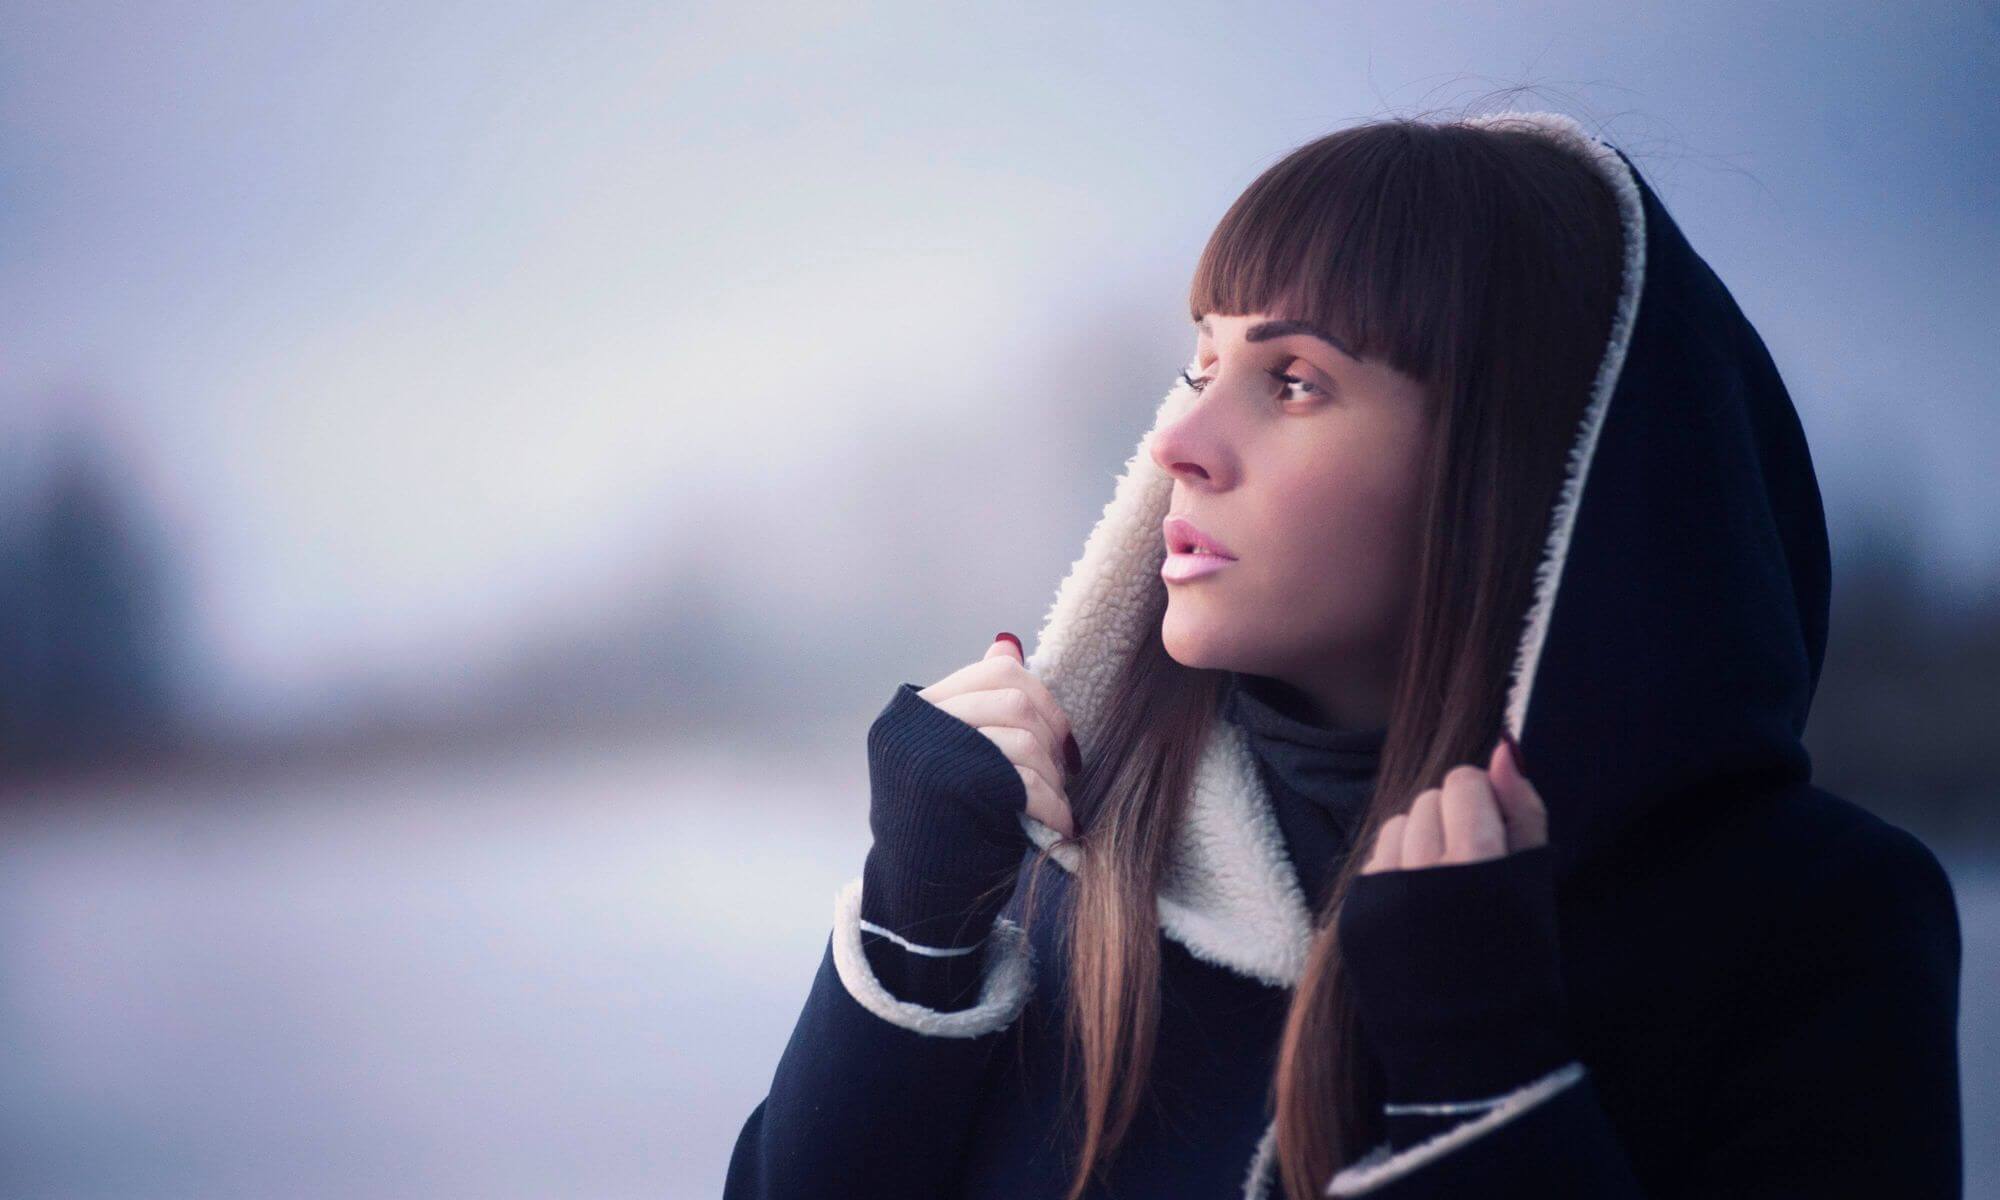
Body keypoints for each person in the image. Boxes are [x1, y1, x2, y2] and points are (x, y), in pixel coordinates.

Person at [722, 109, 1964, 1199]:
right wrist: (912, 935)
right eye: (1200, 365)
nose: (1178, 444)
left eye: (1295, 380)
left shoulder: (1806, 924)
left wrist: (1481, 1083)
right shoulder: (1077, 850)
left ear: (1516, 462)